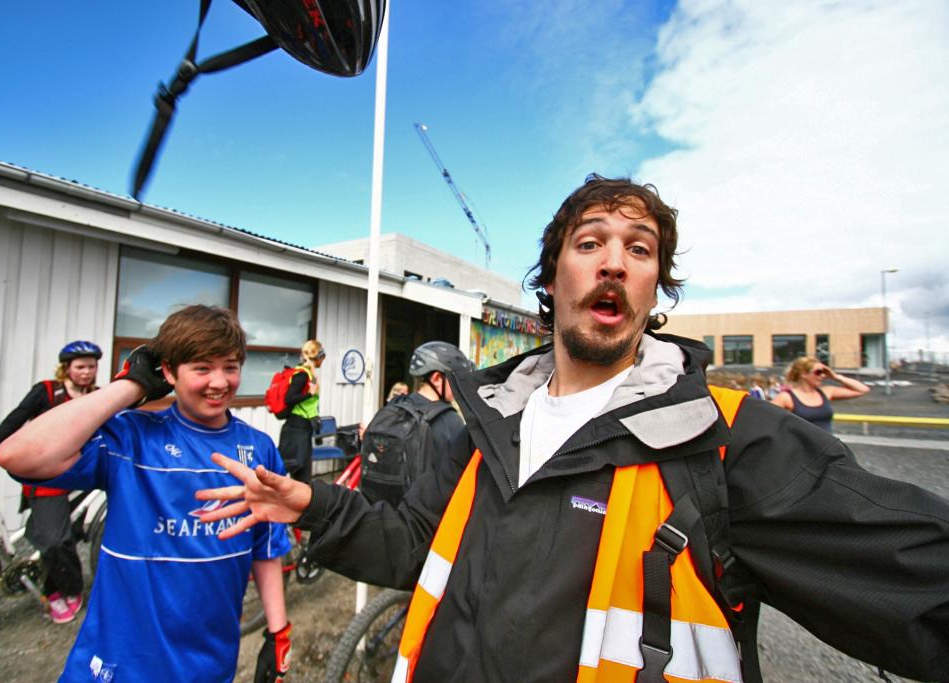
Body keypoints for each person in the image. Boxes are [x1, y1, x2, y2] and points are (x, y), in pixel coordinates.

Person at [195, 176, 949, 683]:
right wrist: (316, 506)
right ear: (552, 279)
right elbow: (414, 544)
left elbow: (914, 575)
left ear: (654, 290)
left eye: (639, 249)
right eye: (590, 243)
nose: (614, 262)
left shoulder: (728, 441)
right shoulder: (480, 426)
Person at [0, 306, 292, 683]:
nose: (219, 382)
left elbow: (265, 546)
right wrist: (129, 387)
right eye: (202, 368)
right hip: (118, 666)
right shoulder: (130, 436)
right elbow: (17, 456)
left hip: (211, 665)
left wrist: (278, 631)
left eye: (230, 367)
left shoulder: (259, 448)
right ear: (168, 371)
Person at [0, 340, 102, 624]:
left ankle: (52, 578)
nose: (87, 372)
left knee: (69, 534)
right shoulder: (46, 392)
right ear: (66, 368)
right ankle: (68, 590)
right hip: (47, 477)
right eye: (80, 367)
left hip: (80, 474)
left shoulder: (98, 396)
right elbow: (11, 424)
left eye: (91, 367)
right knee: (55, 541)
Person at [359, 342, 471, 506]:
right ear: (437, 378)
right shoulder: (450, 420)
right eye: (455, 378)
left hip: (381, 509)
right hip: (423, 515)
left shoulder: (395, 405)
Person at [771, 356, 869, 432]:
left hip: (827, 448)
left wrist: (836, 376)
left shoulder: (826, 392)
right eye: (818, 372)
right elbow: (765, 417)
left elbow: (862, 390)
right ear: (803, 374)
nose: (822, 375)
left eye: (824, 372)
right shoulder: (786, 397)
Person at [278, 340, 325, 485]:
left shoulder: (309, 374)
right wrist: (310, 394)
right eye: (322, 356)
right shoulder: (302, 375)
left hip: (303, 428)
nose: (323, 360)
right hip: (295, 429)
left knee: (301, 475)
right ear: (318, 356)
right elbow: (289, 398)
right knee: (289, 470)